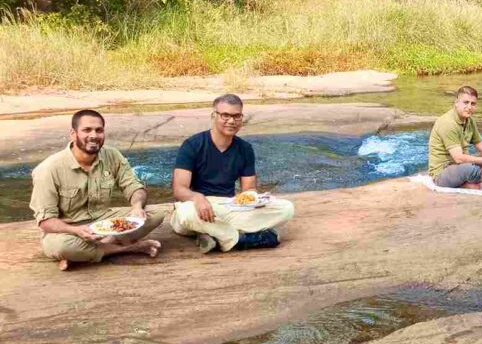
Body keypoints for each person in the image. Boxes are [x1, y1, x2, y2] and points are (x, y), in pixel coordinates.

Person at [30, 110, 163, 271]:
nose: (94, 135)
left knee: (155, 215)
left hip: (103, 222)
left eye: (99, 130)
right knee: (61, 247)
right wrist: (76, 230)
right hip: (67, 230)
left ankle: (86, 253)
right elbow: (46, 222)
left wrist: (137, 206)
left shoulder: (112, 155)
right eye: (87, 130)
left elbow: (133, 187)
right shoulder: (48, 169)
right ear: (73, 134)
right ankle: (127, 248)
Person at [170, 94, 294, 253]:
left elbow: (248, 189)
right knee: (185, 214)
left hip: (228, 206)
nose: (231, 121)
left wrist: (257, 199)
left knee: (286, 208)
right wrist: (197, 197)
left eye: (236, 116)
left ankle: (214, 235)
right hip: (196, 206)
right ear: (214, 115)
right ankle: (237, 239)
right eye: (225, 115)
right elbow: (179, 189)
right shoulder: (192, 145)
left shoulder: (245, 149)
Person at [428, 86, 482, 189]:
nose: (469, 107)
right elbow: (459, 158)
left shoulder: (470, 120)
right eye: (466, 102)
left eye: (473, 104)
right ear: (456, 103)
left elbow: (480, 144)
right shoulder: (448, 123)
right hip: (443, 172)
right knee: (471, 171)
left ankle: (476, 179)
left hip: (463, 166)